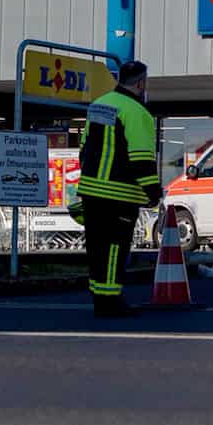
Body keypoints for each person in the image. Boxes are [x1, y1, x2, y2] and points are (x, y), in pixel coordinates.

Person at [68, 60, 161, 317]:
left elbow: (84, 148)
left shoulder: (99, 105)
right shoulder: (136, 112)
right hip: (119, 193)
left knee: (96, 249)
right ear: (141, 83)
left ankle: (100, 298)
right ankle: (110, 300)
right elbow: (141, 158)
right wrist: (153, 193)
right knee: (114, 249)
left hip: (91, 190)